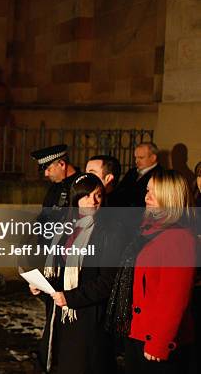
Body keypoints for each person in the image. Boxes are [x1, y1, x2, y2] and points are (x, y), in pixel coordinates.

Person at [31, 173, 125, 373]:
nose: (93, 201)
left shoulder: (110, 231)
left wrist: (71, 298)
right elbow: (59, 267)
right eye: (87, 196)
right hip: (63, 316)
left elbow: (108, 281)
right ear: (76, 199)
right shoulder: (66, 227)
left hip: (90, 318)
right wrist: (42, 283)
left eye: (98, 195)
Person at [105, 170, 196, 374]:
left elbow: (174, 298)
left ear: (171, 196)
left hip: (157, 340)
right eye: (147, 190)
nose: (147, 196)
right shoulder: (148, 229)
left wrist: (159, 342)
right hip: (137, 332)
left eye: (156, 192)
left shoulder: (179, 238)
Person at [31, 144, 82, 226]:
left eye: (48, 169)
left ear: (61, 164)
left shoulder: (81, 185)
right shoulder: (55, 185)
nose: (46, 174)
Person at [113, 142, 162, 207]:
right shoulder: (132, 171)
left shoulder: (161, 175)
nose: (136, 161)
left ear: (153, 158)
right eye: (135, 158)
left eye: (141, 158)